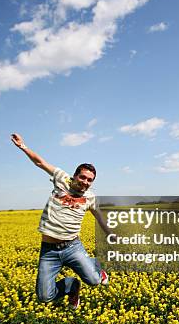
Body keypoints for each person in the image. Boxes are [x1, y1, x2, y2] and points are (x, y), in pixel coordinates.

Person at [11, 132, 113, 310]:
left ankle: (97, 266)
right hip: (49, 251)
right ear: (74, 176)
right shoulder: (62, 179)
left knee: (96, 281)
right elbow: (40, 162)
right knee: (44, 296)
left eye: (90, 180)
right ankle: (72, 287)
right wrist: (23, 147)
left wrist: (111, 234)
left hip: (73, 247)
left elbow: (99, 216)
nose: (85, 182)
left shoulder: (90, 197)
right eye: (83, 177)